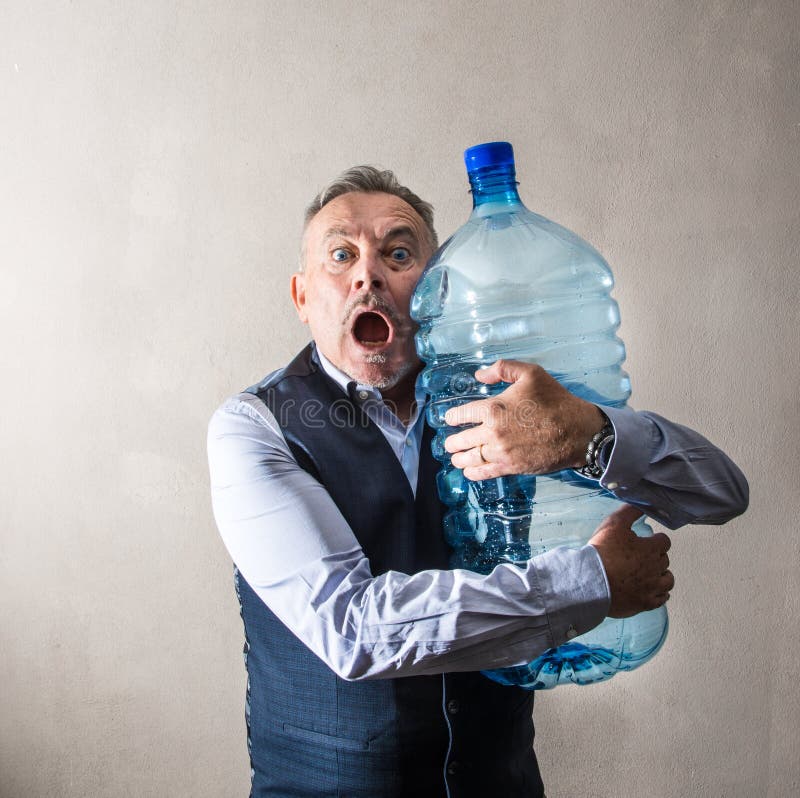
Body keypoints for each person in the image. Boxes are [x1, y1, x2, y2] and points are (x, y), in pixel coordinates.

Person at [208, 166, 748, 797]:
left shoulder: (511, 396)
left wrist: (589, 434)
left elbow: (720, 493)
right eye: (341, 255)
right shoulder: (254, 428)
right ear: (302, 297)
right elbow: (352, 630)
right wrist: (593, 581)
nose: (368, 274)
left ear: (438, 290)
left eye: (399, 253)